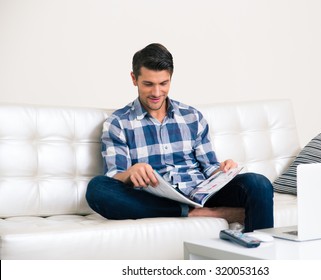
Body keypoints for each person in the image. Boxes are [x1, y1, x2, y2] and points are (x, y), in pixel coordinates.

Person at [86, 43, 274, 232]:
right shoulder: (118, 123)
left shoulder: (192, 117)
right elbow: (114, 176)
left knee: (258, 183)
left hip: (201, 192)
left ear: (171, 78)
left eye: (163, 83)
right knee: (98, 189)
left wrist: (224, 171)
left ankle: (261, 252)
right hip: (153, 198)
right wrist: (130, 173)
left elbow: (209, 168)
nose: (157, 93)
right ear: (134, 79)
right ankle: (197, 213)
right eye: (148, 84)